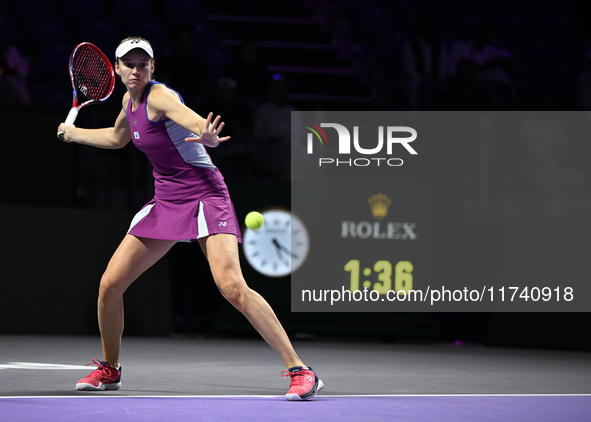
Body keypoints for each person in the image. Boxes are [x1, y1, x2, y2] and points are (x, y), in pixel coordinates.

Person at [56, 37, 323, 401]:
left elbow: (193, 120)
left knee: (232, 286)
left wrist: (206, 135)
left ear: (152, 68)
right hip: (166, 200)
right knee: (110, 285)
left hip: (205, 196)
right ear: (117, 69)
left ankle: (301, 370)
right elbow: (118, 138)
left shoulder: (160, 96)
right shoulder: (127, 102)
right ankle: (110, 368)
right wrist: (74, 134)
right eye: (129, 64)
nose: (137, 70)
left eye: (143, 64)